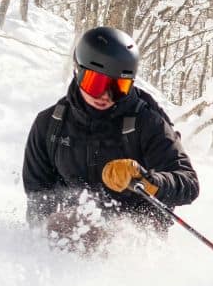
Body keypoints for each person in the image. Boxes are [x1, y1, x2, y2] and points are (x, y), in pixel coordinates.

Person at [23, 25, 199, 250]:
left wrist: (147, 181)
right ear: (78, 72)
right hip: (75, 227)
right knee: (63, 226)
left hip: (136, 233)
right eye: (95, 84)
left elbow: (188, 183)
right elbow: (39, 197)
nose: (105, 95)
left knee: (108, 235)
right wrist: (39, 242)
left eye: (118, 87)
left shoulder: (147, 123)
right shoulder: (51, 125)